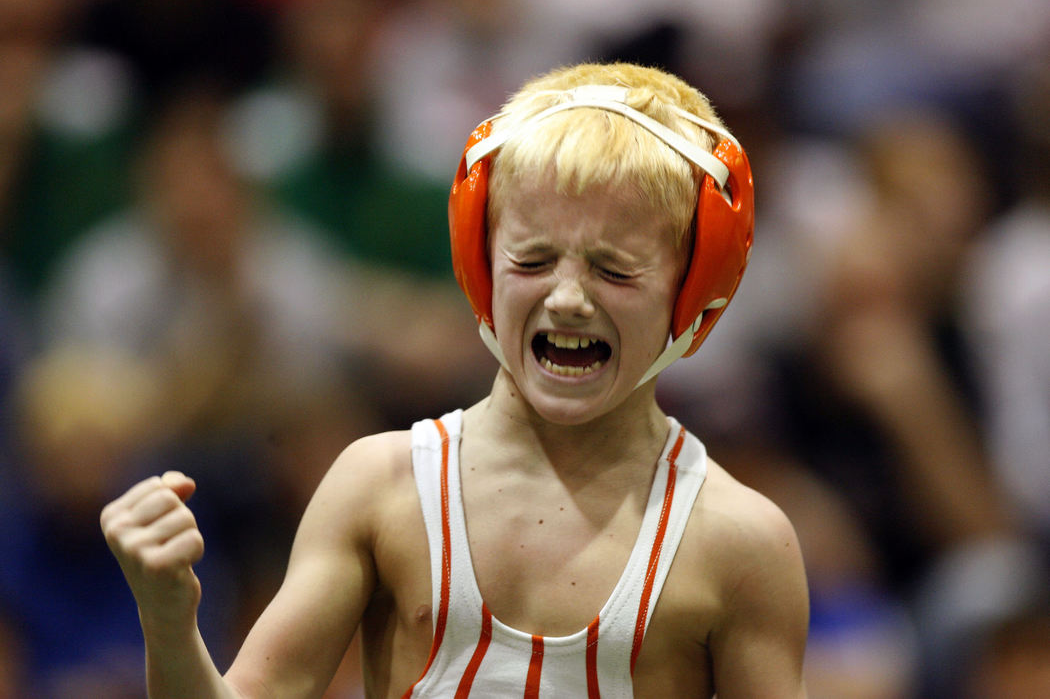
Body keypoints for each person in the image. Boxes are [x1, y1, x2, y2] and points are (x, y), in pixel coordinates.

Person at [100, 62, 809, 697]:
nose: (566, 298)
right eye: (531, 261)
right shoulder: (381, 489)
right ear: (478, 264)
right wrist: (167, 621)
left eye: (614, 269)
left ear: (693, 293)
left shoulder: (739, 545)